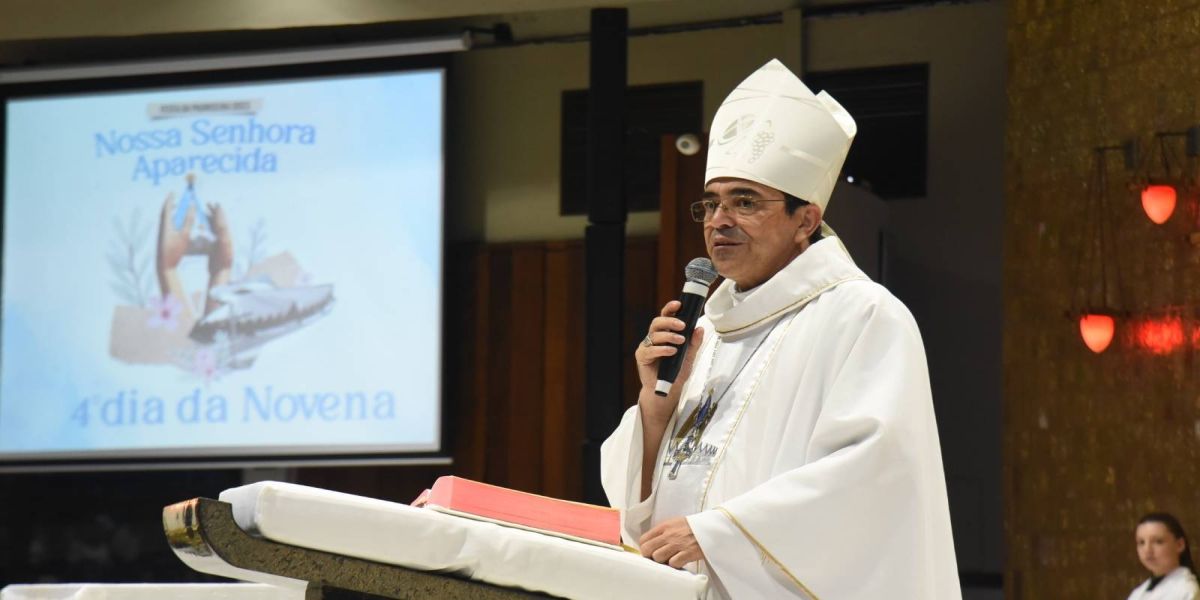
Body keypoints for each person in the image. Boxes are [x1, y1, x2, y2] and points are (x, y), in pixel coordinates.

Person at [600, 58, 960, 599]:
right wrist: (654, 417)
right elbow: (652, 499)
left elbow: (874, 478)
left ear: (806, 220)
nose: (719, 220)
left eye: (744, 202)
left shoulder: (863, 317)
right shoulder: (709, 329)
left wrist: (718, 532)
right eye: (712, 203)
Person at [1127, 513, 1200, 600]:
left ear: (1179, 545)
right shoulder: (1138, 592)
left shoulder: (1187, 590)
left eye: (1158, 541)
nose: (1147, 550)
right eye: (1141, 542)